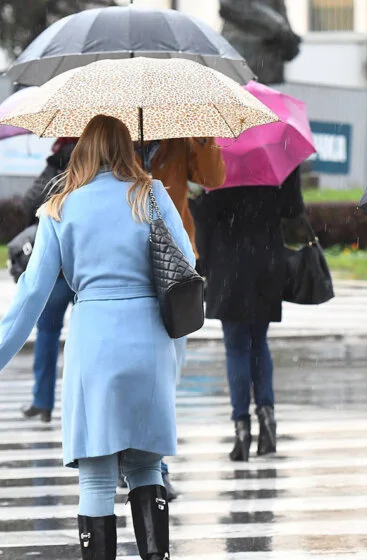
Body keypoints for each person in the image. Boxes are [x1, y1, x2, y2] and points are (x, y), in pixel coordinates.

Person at [0, 115, 188, 559]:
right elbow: (186, 269)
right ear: (127, 149)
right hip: (150, 341)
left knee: (97, 476)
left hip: (96, 345)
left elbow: (32, 294)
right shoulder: (153, 195)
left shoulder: (62, 207)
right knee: (145, 467)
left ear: (82, 150)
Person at [192, 167, 305, 462]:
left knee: (236, 347)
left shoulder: (220, 155)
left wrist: (204, 263)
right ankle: (267, 419)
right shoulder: (273, 154)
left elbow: (205, 219)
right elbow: (293, 208)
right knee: (259, 343)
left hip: (228, 263)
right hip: (266, 259)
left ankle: (241, 429)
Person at [143, 136, 225, 498]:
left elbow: (212, 178)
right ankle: (123, 454)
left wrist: (205, 138)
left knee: (167, 370)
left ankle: (157, 463)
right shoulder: (113, 136)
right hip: (128, 264)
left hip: (174, 267)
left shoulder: (179, 140)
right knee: (134, 370)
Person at [18, 137, 76, 424]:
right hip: (87, 271)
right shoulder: (109, 161)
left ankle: (42, 401)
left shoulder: (59, 161)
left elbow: (31, 201)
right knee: (84, 337)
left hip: (57, 269)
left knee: (48, 332)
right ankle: (82, 404)